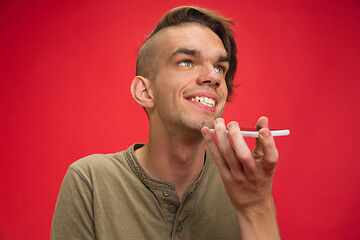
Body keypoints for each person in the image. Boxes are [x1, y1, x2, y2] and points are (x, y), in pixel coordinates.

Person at [51, 6, 281, 240]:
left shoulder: (246, 183)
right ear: (145, 91)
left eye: (220, 68)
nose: (213, 77)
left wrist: (255, 206)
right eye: (186, 62)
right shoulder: (89, 180)